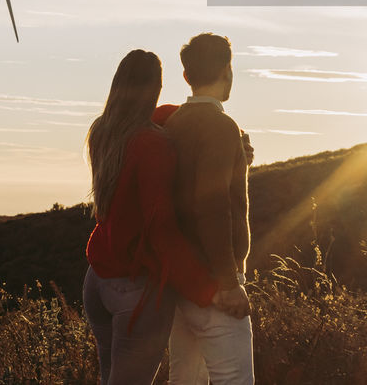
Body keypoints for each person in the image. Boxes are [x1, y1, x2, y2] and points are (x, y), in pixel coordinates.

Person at [82, 49, 219, 385]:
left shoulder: (102, 132)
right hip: (136, 290)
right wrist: (207, 289)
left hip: (97, 282)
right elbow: (162, 229)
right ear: (157, 87)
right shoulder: (154, 145)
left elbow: (151, 119)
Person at [161, 32, 255, 385]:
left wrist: (239, 160)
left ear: (186, 76)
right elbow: (212, 204)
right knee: (235, 380)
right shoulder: (221, 125)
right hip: (216, 280)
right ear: (228, 71)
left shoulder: (174, 124)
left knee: (184, 379)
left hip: (182, 280)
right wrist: (229, 281)